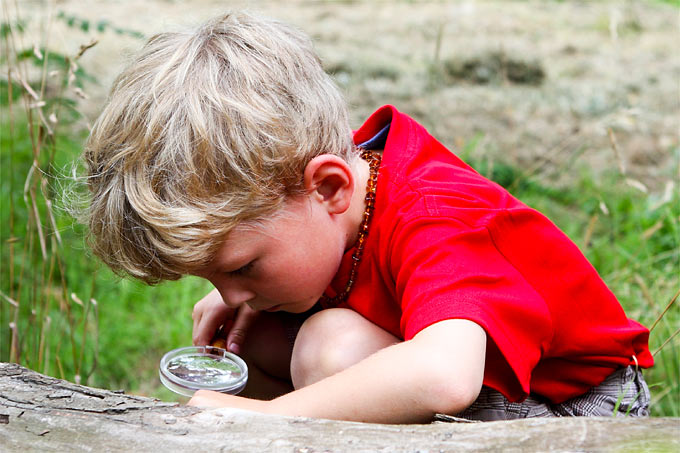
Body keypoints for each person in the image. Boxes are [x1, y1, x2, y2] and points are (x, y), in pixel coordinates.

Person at [82, 12, 653, 423]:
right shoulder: (330, 192)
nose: (229, 295)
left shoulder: (434, 215)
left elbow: (446, 374)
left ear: (328, 186)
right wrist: (244, 289)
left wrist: (265, 420)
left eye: (246, 267)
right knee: (247, 340)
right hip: (483, 375)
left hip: (577, 410)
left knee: (330, 347)